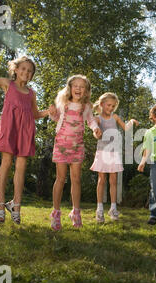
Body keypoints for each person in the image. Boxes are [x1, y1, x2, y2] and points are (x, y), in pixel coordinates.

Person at [0, 42, 49, 225]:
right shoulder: (8, 84)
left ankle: (16, 205)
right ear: (16, 69)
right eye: (23, 69)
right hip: (9, 128)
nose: (26, 73)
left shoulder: (32, 93)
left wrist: (49, 112)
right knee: (6, 163)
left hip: (26, 131)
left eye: (30, 71)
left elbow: (35, 114)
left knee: (21, 167)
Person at [48, 75, 102, 231]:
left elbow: (91, 120)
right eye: (75, 85)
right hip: (61, 144)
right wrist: (52, 113)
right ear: (69, 88)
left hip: (77, 145)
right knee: (60, 178)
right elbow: (56, 118)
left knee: (76, 179)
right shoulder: (63, 103)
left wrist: (95, 130)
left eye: (82, 86)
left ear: (86, 91)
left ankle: (76, 212)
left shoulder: (86, 107)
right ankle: (56, 213)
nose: (78, 88)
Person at [90, 92, 139, 223]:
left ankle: (113, 208)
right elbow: (94, 130)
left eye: (113, 106)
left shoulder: (115, 117)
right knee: (101, 180)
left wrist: (132, 122)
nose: (110, 108)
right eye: (108, 105)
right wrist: (97, 133)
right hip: (102, 152)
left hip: (114, 153)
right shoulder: (98, 118)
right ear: (102, 104)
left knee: (113, 180)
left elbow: (126, 128)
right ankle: (99, 209)